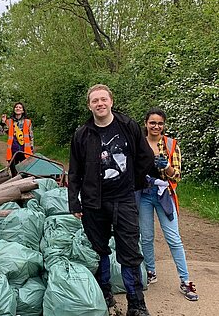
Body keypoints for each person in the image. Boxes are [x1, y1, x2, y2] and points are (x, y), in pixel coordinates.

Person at [68, 84, 154, 316]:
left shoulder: (128, 126)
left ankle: (136, 304)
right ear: (90, 106)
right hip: (94, 202)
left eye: (103, 99)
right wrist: (74, 202)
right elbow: (74, 172)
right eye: (95, 101)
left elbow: (146, 157)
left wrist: (134, 182)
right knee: (99, 249)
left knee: (129, 251)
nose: (100, 104)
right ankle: (104, 293)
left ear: (111, 101)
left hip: (124, 199)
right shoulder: (82, 134)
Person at [136, 108, 198, 301]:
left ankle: (185, 281)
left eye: (160, 123)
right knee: (145, 236)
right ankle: (151, 272)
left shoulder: (171, 145)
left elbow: (177, 175)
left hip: (164, 194)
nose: (156, 126)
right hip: (144, 193)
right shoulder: (138, 144)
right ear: (146, 123)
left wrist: (166, 167)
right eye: (152, 122)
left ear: (164, 125)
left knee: (173, 238)